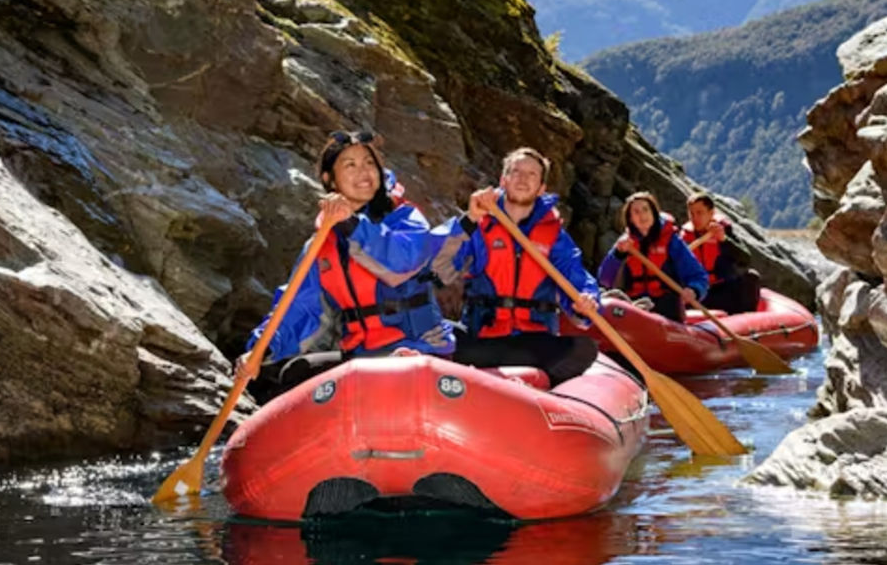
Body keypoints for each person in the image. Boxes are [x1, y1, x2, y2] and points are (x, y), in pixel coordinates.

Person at [235, 130, 455, 389]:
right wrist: (261, 349)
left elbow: (400, 263)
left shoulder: (406, 218)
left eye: (369, 163)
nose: (363, 172)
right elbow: (298, 306)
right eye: (350, 165)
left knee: (395, 371)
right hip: (362, 353)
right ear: (330, 181)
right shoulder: (320, 246)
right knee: (296, 372)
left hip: (420, 346)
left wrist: (350, 224)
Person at [433, 146, 600, 386]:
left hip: (533, 340)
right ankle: (514, 382)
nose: (523, 178)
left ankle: (521, 389)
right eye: (516, 171)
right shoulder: (478, 222)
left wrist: (585, 300)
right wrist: (468, 220)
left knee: (583, 349)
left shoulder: (554, 236)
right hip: (482, 337)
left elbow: (576, 277)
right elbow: (437, 268)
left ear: (542, 188)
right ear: (503, 180)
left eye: (532, 174)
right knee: (430, 332)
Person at [598, 190, 709, 323]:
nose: (642, 215)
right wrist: (618, 254)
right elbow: (605, 279)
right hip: (634, 306)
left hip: (666, 307)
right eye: (636, 212)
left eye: (645, 210)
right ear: (630, 219)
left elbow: (699, 276)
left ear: (653, 213)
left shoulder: (671, 242)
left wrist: (694, 290)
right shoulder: (625, 244)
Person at [679, 192, 762, 314]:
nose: (695, 218)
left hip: (723, 289)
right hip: (699, 292)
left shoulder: (724, 231)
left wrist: (724, 240)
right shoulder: (684, 237)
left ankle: (747, 321)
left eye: (700, 213)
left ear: (711, 213)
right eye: (691, 213)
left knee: (751, 277)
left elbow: (745, 259)